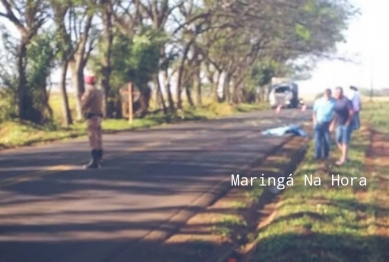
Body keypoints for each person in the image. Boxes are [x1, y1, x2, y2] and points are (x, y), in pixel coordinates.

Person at [81, 75, 104, 169]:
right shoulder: (100, 91)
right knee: (99, 137)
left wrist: (82, 105)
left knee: (92, 138)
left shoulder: (89, 91)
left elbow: (84, 103)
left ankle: (94, 162)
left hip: (92, 116)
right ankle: (99, 157)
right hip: (99, 116)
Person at [312, 88, 336, 168]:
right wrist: (315, 121)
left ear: (330, 94)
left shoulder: (334, 102)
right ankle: (317, 156)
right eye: (326, 94)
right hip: (319, 123)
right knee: (318, 140)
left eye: (329, 94)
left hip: (328, 123)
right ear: (324, 94)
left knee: (327, 140)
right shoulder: (318, 101)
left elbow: (336, 114)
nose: (327, 96)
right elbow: (314, 112)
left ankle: (326, 156)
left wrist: (332, 124)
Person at [330, 87, 354, 166]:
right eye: (334, 93)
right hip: (339, 124)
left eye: (337, 93)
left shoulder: (347, 101)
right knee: (338, 140)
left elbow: (351, 112)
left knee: (345, 141)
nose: (335, 94)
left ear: (341, 93)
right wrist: (333, 124)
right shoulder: (336, 101)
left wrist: (348, 122)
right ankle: (346, 156)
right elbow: (336, 114)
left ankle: (343, 159)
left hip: (346, 125)